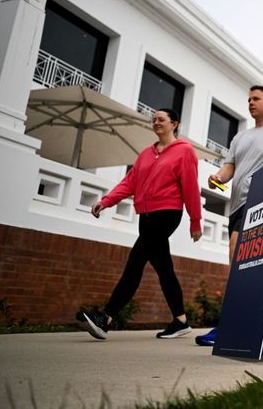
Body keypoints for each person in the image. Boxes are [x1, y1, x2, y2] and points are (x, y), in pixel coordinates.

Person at [75, 108, 203, 340]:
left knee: (135, 262)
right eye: (153, 120)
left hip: (167, 213)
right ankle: (181, 320)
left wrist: (195, 220)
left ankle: (106, 318)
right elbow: (129, 183)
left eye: (161, 120)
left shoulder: (185, 151)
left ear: (174, 124)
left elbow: (191, 187)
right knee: (165, 269)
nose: (156, 123)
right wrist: (106, 201)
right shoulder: (146, 154)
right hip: (145, 216)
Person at [195, 85, 263, 346]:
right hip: (237, 205)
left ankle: (229, 326)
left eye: (256, 99)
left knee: (241, 258)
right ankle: (245, 324)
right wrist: (218, 176)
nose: (250, 103)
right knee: (239, 264)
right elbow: (230, 167)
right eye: (248, 99)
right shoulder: (240, 137)